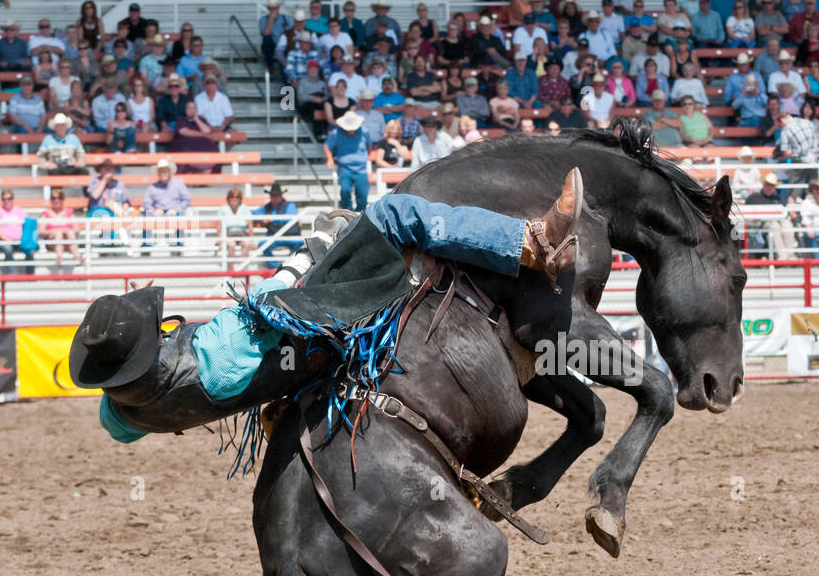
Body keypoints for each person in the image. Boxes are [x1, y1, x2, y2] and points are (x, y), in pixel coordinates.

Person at [80, 171, 587, 443]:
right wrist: (313, 247)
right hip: (307, 327)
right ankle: (531, 243)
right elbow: (269, 304)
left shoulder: (123, 414)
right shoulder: (215, 353)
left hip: (283, 371)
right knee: (394, 213)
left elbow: (117, 418)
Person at [40, 187, 80, 271]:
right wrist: (54, 231)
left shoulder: (69, 213)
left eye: (59, 198)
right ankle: (60, 258)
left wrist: (66, 231)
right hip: (52, 241)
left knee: (70, 233)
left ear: (63, 199)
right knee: (58, 234)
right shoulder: (46, 214)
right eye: (54, 198)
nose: (57, 200)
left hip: (67, 241)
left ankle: (77, 257)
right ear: (51, 200)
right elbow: (41, 231)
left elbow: (77, 229)